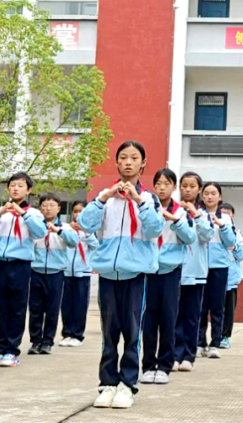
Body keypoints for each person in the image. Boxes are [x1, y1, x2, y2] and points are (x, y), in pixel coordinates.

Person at [78, 140, 165, 409]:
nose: (128, 162)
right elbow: (85, 224)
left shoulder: (149, 199)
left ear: (143, 164)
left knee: (132, 332)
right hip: (108, 273)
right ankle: (107, 384)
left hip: (135, 273)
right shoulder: (106, 197)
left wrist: (138, 200)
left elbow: (155, 229)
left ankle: (127, 385)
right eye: (123, 157)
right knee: (109, 333)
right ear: (117, 163)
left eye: (134, 158)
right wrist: (104, 197)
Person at [141, 168, 197, 386]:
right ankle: (148, 365)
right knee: (148, 320)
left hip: (171, 272)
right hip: (149, 271)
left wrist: (175, 220)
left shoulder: (181, 212)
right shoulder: (147, 208)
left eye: (167, 183)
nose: (162, 188)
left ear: (174, 187)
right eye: (158, 184)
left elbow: (190, 237)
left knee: (168, 319)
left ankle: (165, 365)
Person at [0, 172, 48, 368]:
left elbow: (40, 232)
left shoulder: (34, 214)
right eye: (12, 185)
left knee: (17, 308)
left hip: (20, 264)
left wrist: (23, 214)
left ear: (28, 190)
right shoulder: (0, 212)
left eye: (20, 186)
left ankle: (12, 350)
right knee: (0, 308)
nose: (15, 189)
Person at [27, 194, 78, 355]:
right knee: (35, 309)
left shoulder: (65, 227)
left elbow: (74, 242)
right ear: (40, 208)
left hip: (56, 273)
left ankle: (48, 341)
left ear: (58, 209)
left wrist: (59, 231)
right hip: (36, 271)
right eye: (44, 205)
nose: (48, 209)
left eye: (52, 205)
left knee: (52, 309)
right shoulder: (35, 226)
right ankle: (35, 341)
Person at [174, 171, 213, 372]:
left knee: (191, 316)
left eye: (192, 186)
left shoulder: (204, 215)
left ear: (199, 190)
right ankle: (174, 354)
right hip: (175, 271)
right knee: (174, 316)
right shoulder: (173, 210)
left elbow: (207, 235)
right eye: (184, 186)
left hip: (196, 273)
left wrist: (196, 215)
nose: (188, 190)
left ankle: (189, 355)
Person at [197, 182, 238, 359]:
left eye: (213, 193)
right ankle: (199, 343)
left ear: (219, 196)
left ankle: (215, 343)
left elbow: (231, 242)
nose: (209, 196)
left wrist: (222, 226)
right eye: (206, 193)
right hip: (200, 265)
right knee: (200, 307)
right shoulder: (197, 214)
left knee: (217, 306)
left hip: (219, 267)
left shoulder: (226, 218)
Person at [60, 201, 98, 348]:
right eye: (75, 211)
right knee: (66, 305)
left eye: (80, 211)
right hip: (66, 272)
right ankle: (66, 334)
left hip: (82, 272)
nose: (77, 214)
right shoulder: (65, 228)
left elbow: (95, 246)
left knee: (80, 305)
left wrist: (85, 232)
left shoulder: (89, 231)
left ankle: (77, 335)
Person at [220, 202, 243, 350]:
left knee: (228, 311)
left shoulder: (237, 235)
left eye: (228, 213)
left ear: (233, 216)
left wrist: (234, 247)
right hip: (213, 277)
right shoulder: (212, 231)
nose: (225, 215)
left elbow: (242, 255)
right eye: (222, 212)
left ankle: (225, 337)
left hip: (230, 280)